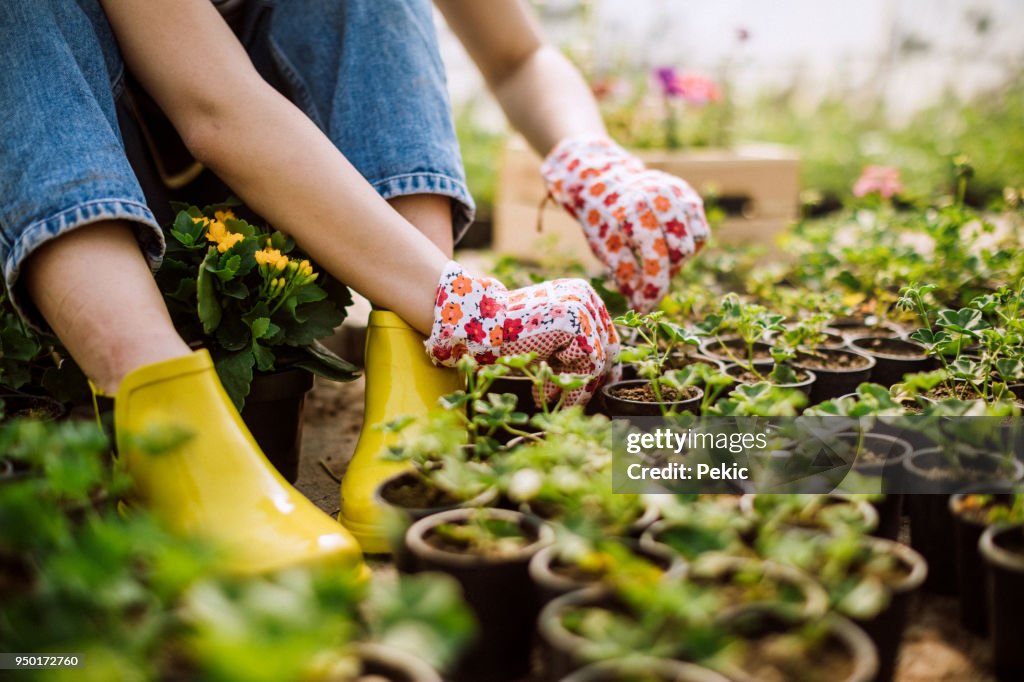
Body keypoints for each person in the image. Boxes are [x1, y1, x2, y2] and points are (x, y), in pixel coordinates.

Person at [0, 0, 709, 570]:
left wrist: (592, 158)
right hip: (85, 180)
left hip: (301, 185)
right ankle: (161, 425)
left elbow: (518, 54)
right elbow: (215, 110)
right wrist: (472, 304)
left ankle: (416, 372)